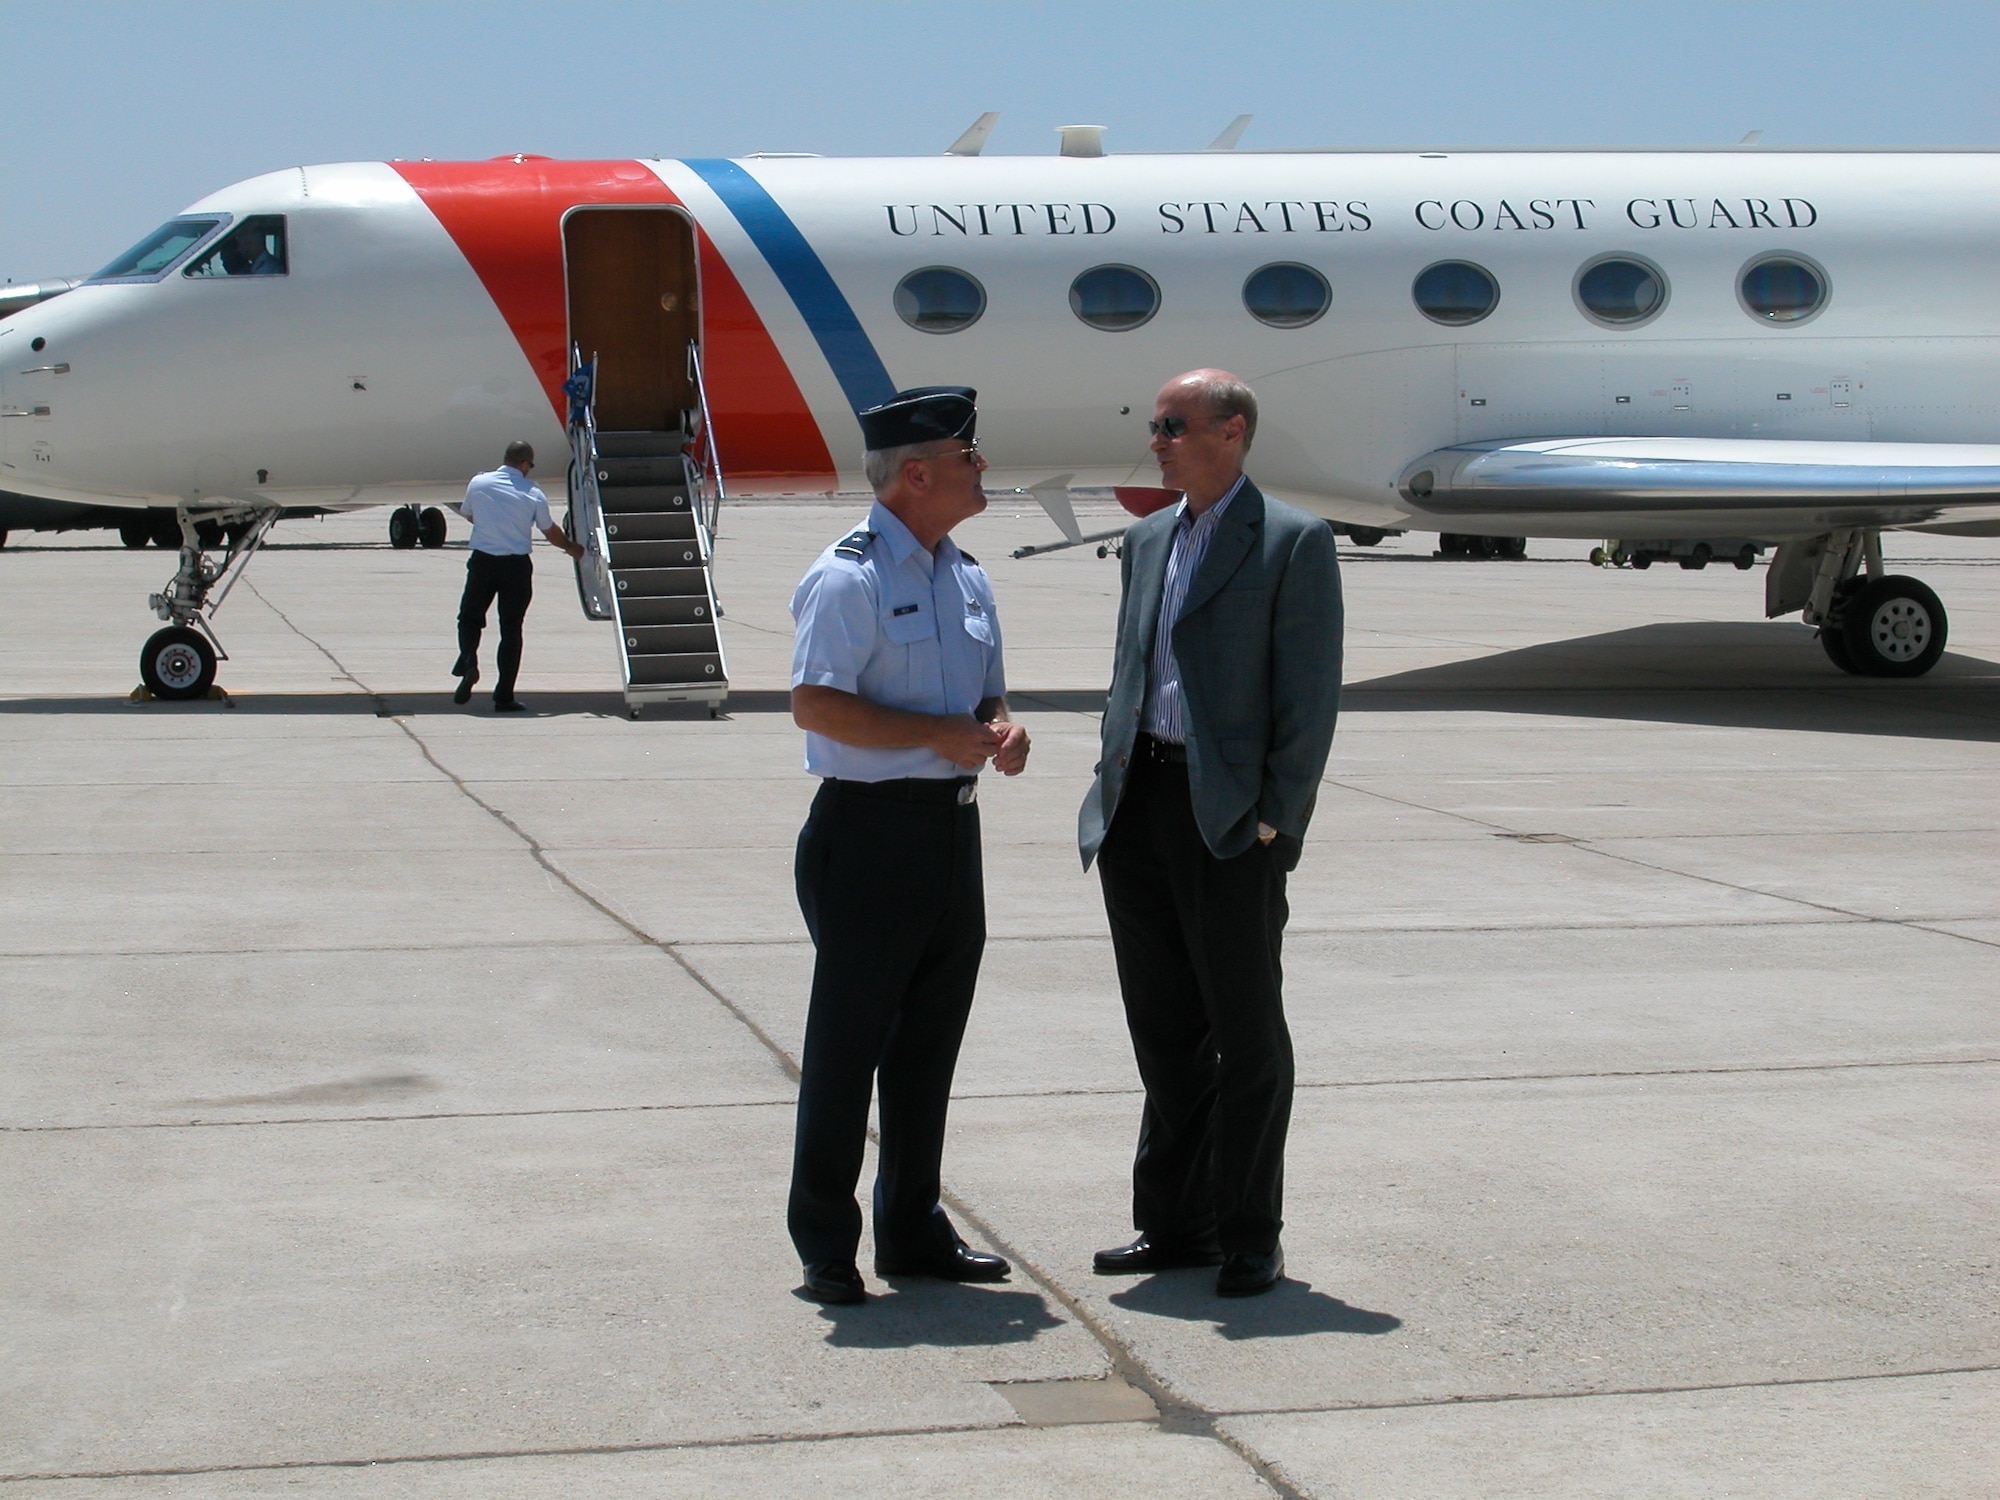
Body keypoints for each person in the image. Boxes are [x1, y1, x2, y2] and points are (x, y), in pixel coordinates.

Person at [1077, 369, 1343, 1298]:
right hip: (1138, 806)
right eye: (1153, 423)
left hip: (1228, 817)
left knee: (1245, 1033)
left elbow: (1309, 700)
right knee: (1162, 1030)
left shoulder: (1292, 543)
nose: (1156, 438)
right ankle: (1174, 1223)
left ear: (1231, 433)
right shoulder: (1148, 539)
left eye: (1173, 424)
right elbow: (1131, 671)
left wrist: (1277, 815)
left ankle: (1248, 1232)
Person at [786, 386, 1031, 1305]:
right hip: (867, 835)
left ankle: (913, 1229)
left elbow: (987, 696)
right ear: (917, 473)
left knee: (928, 1047)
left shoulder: (964, 574)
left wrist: (1002, 732)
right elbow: (816, 703)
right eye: (969, 456)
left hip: (948, 831)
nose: (982, 469)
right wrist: (936, 736)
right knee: (848, 1048)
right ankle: (825, 1242)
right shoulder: (849, 576)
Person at [452, 441, 585, 712]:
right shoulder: (532, 491)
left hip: (483, 562)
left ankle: (469, 660)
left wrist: (493, 523)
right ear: (524, 463)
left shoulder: (479, 483)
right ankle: (504, 696)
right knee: (511, 630)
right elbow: (549, 531)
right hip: (515, 567)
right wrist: (572, 548)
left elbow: (469, 514)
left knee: (469, 617)